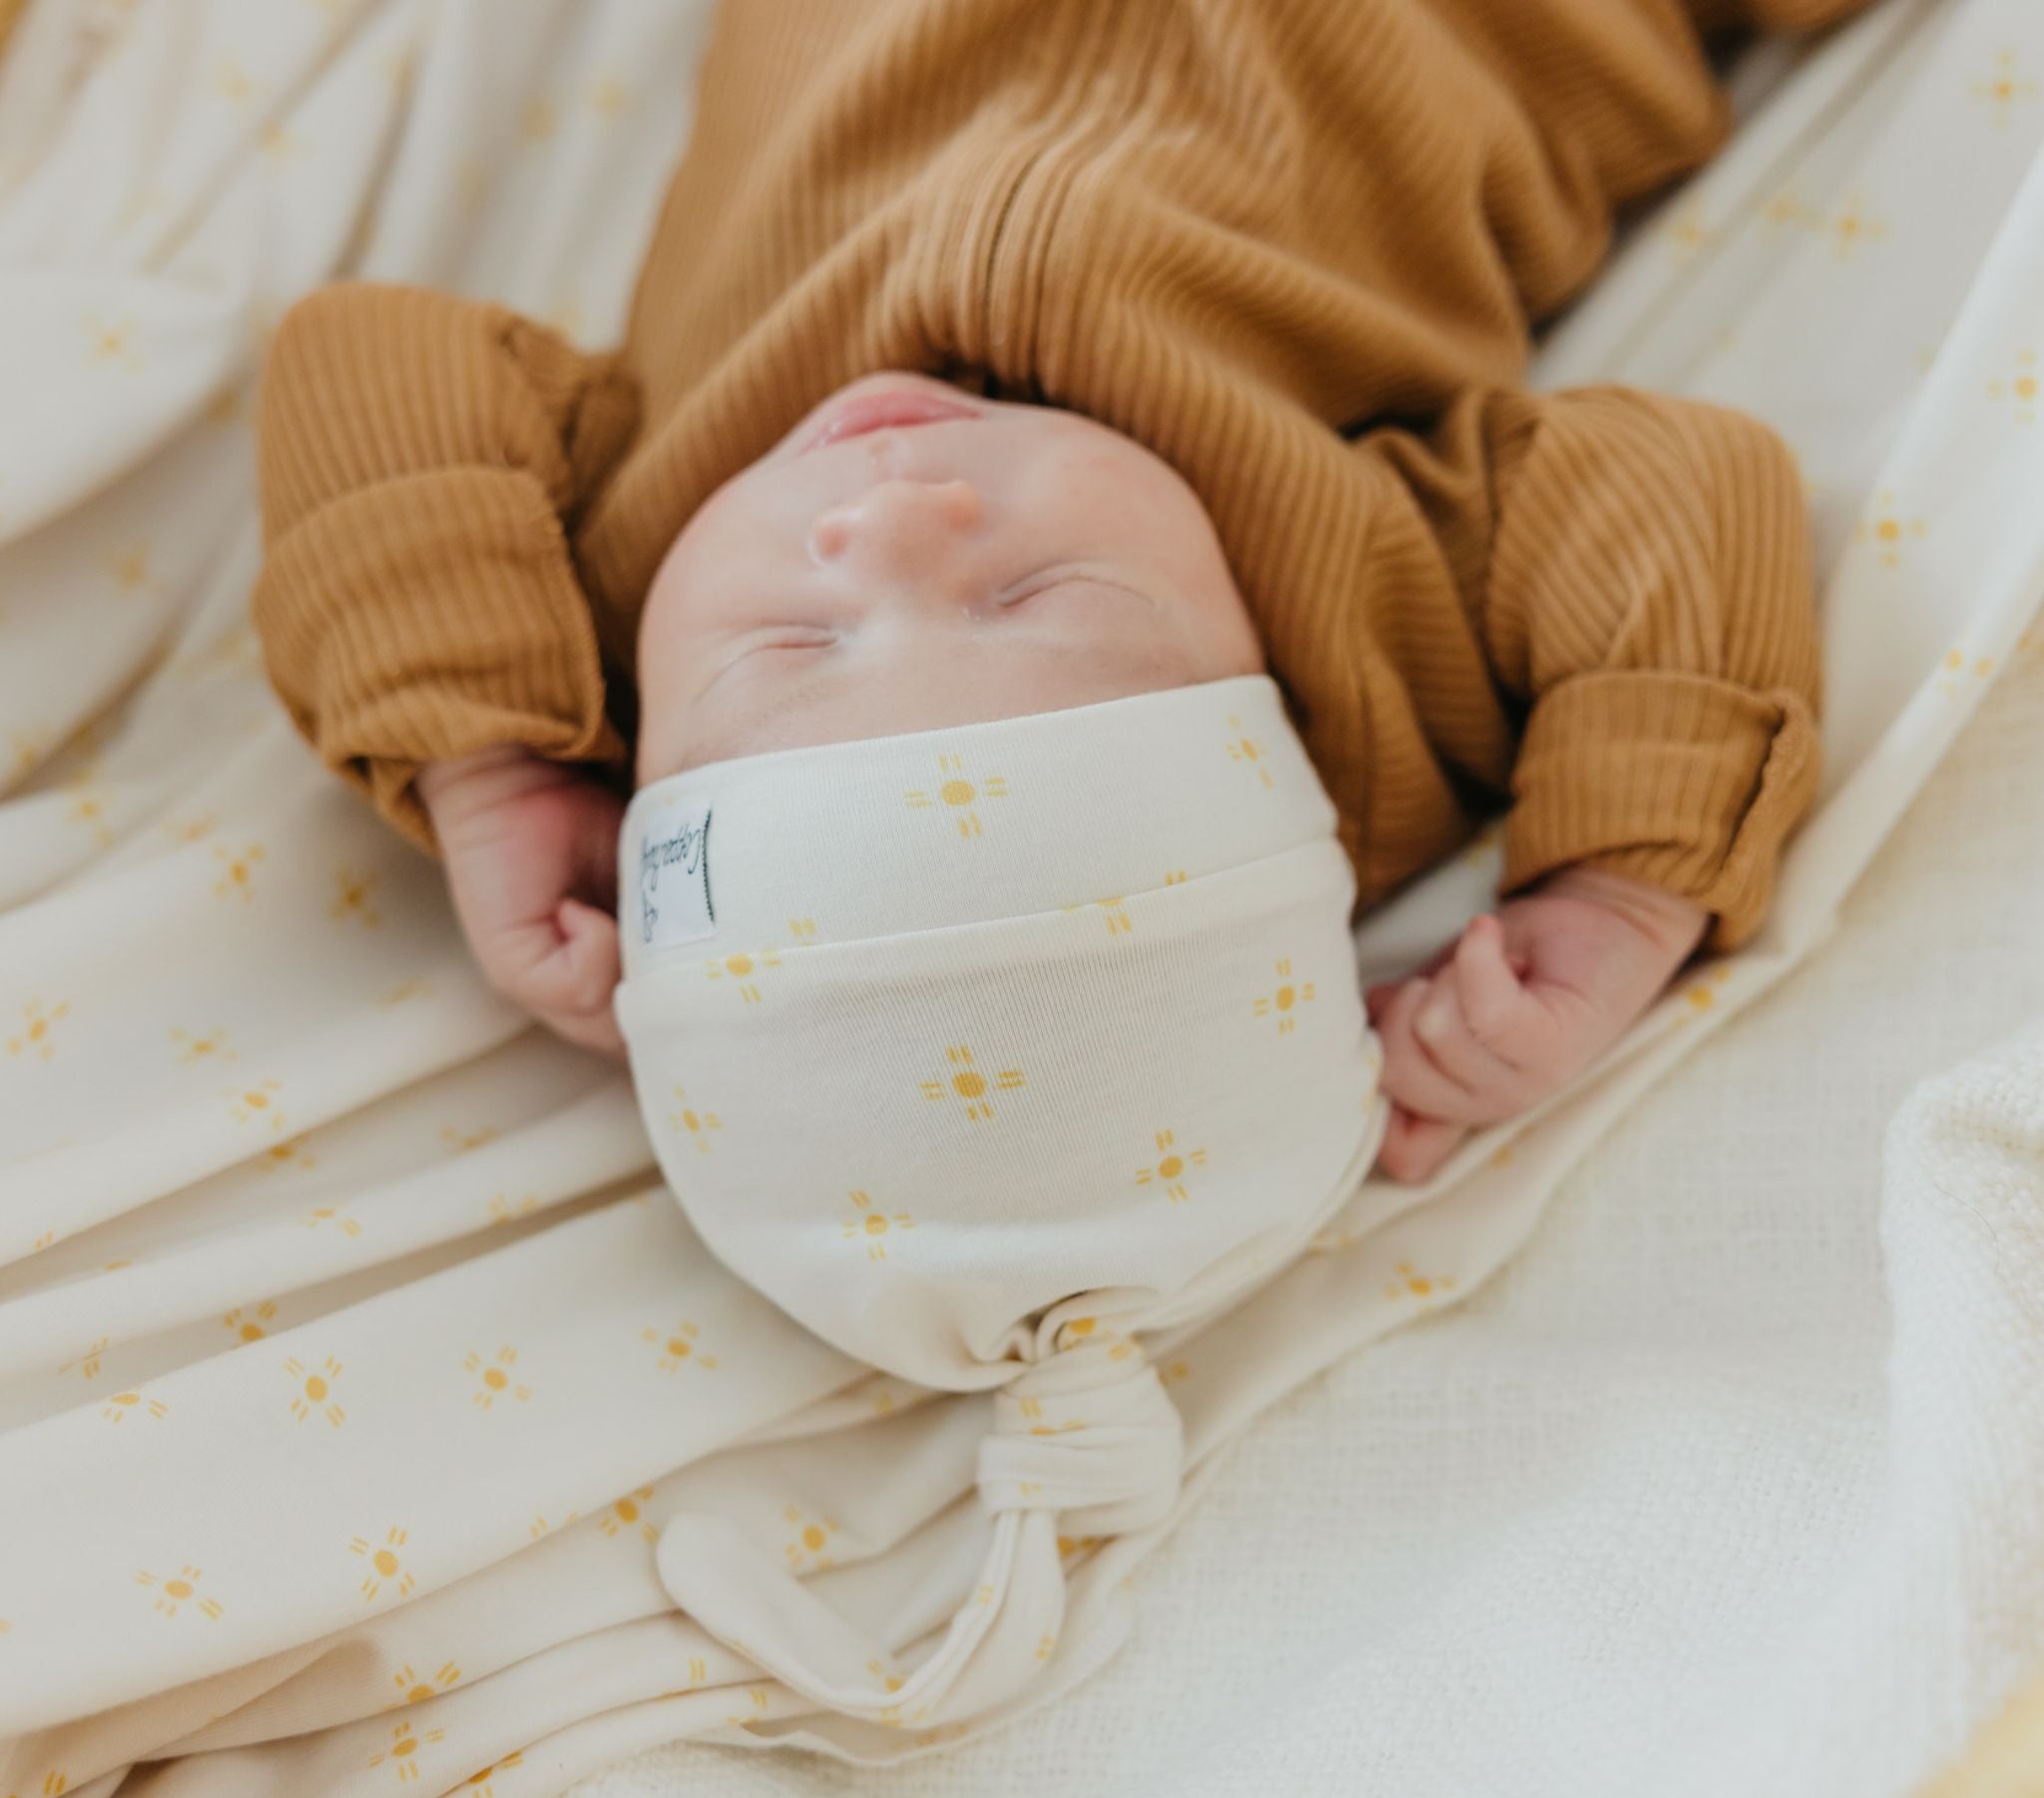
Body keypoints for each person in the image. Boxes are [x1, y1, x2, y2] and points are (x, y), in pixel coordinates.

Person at [253, 0, 1867, 1184]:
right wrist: (1621, 891)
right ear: (1264, 735)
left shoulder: (625, 584)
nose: (887, 519)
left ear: (658, 758)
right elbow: (1684, 483)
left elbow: (361, 358)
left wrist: (485, 756)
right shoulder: (1378, 648)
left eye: (794, 640)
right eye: (1042, 594)